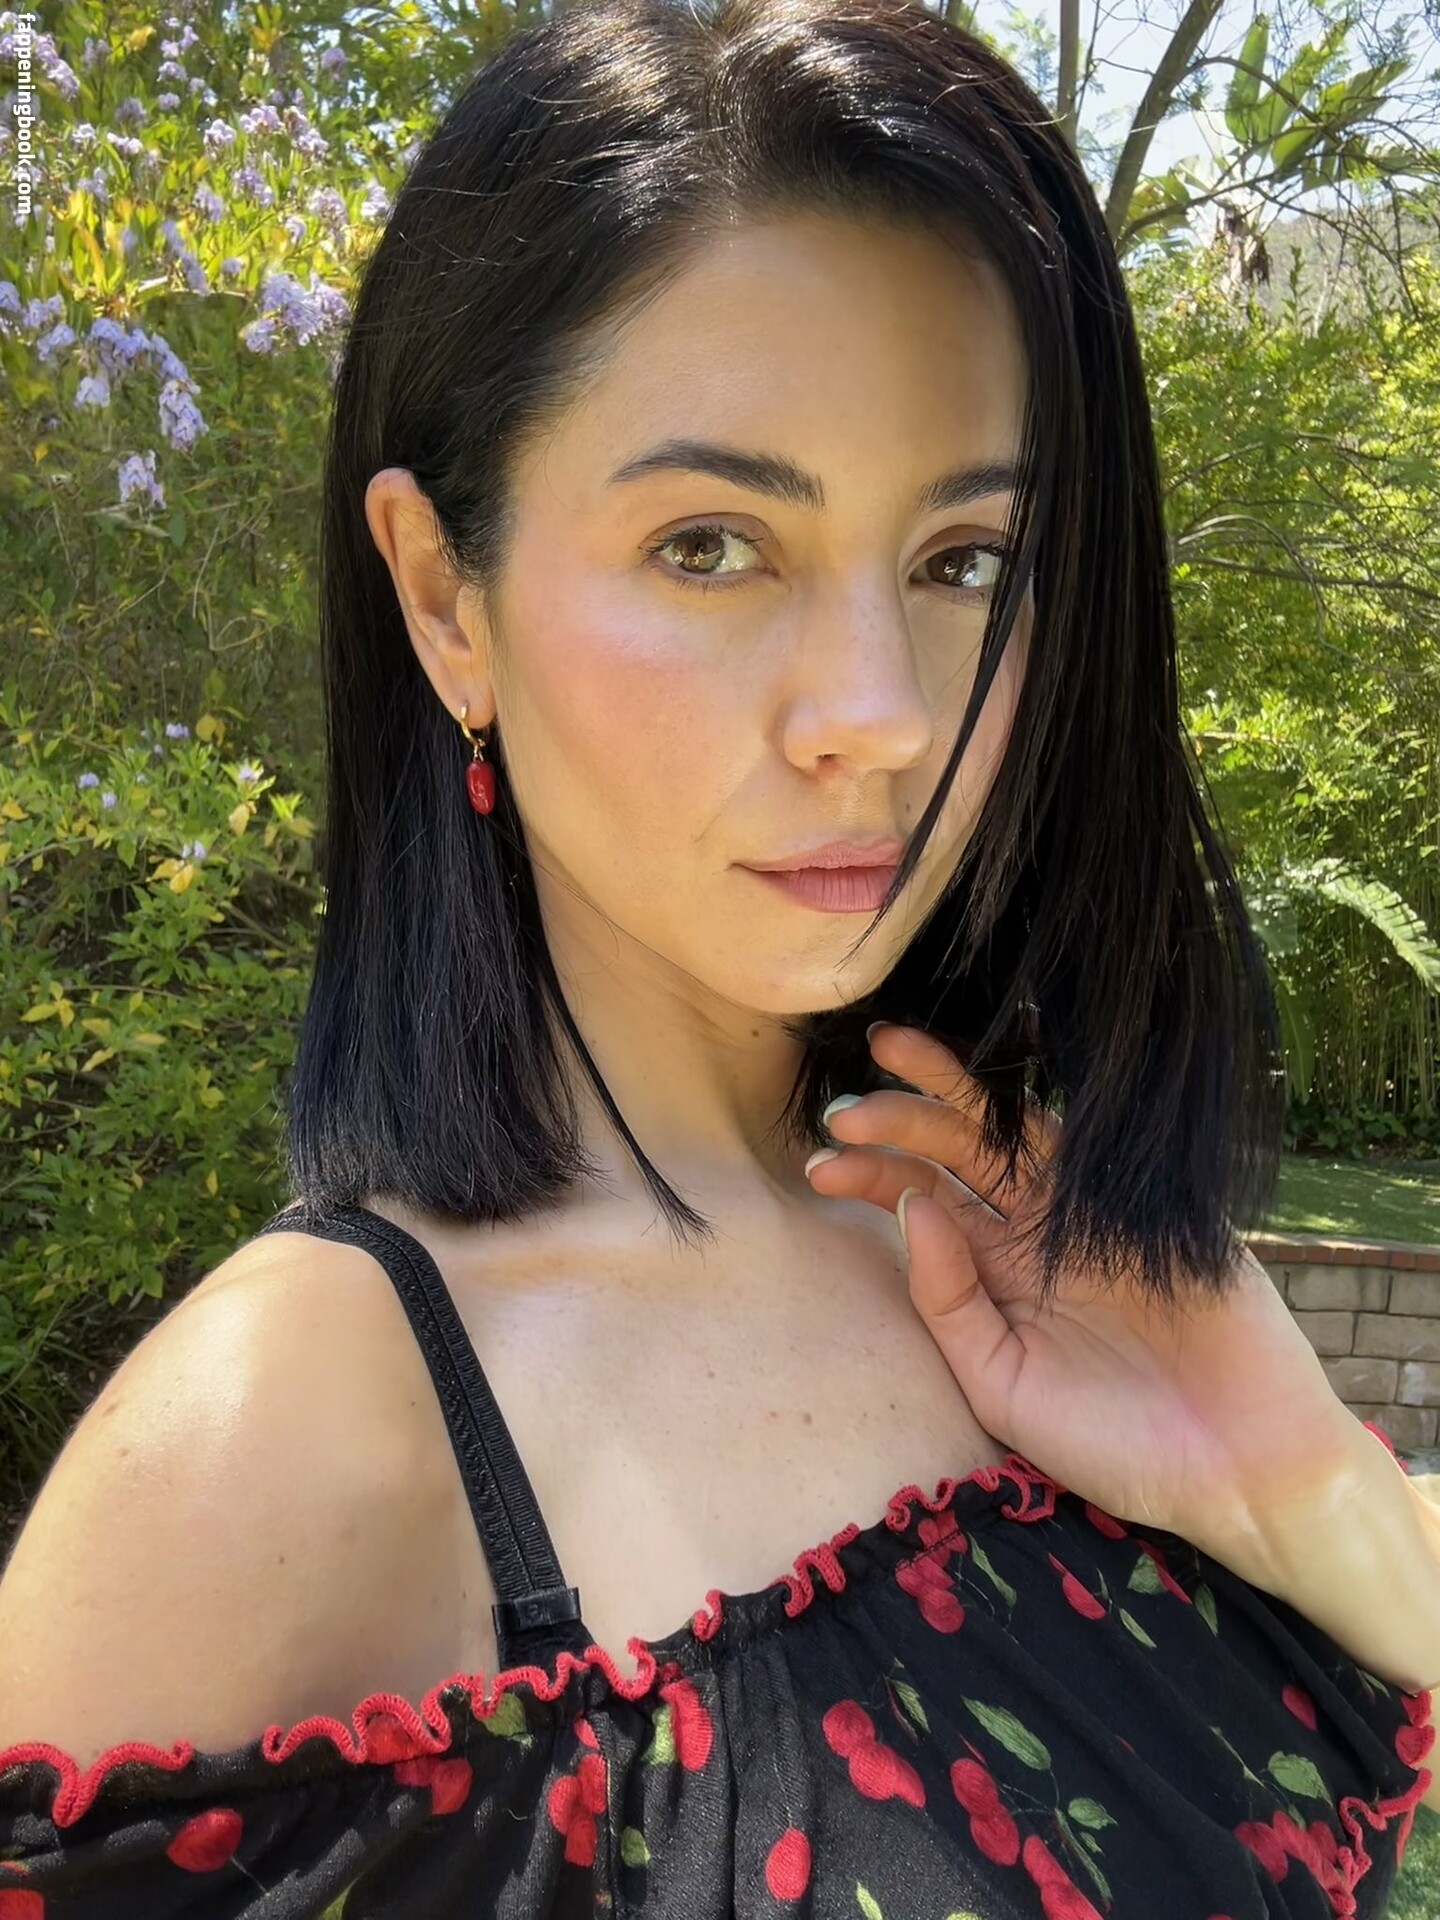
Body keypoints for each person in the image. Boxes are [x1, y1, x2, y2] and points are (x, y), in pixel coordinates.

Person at [0, 0, 1435, 1910]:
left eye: (965, 561)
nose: (881, 714)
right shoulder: (285, 1444)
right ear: (443, 598)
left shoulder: (1041, 1254)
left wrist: (1299, 1494)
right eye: (710, 544)